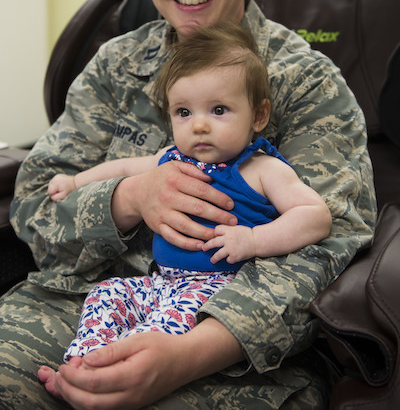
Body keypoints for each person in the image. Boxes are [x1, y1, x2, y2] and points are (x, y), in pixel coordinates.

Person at [1, 0, 376, 410]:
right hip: (82, 304)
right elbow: (34, 208)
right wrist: (128, 197)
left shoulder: (302, 81)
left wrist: (188, 353)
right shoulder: (115, 66)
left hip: (225, 333)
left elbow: (335, 245)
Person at [44, 22, 331, 369]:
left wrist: (255, 239)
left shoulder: (262, 169)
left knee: (157, 334)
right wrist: (76, 183)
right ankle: (84, 361)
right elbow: (122, 168)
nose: (198, 125)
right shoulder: (171, 158)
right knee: (108, 293)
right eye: (184, 112)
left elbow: (316, 215)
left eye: (219, 110)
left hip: (216, 292)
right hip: (161, 282)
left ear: (258, 115)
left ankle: (114, 371)